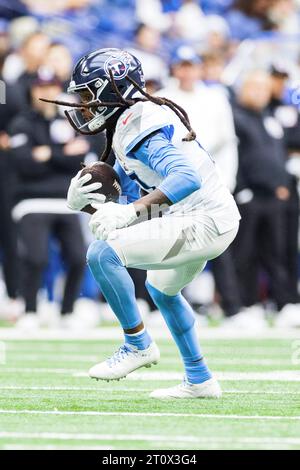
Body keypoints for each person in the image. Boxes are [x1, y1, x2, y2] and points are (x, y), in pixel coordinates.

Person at [51, 48, 240, 399]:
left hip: (204, 218)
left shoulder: (139, 122)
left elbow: (185, 179)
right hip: (204, 217)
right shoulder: (129, 123)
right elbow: (133, 210)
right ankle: (200, 379)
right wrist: (86, 207)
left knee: (101, 254)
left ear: (111, 88)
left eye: (87, 94)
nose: (83, 105)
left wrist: (127, 212)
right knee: (162, 290)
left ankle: (137, 343)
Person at [9, 71, 88, 330]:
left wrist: (45, 154)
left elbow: (76, 160)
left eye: (52, 86)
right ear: (33, 90)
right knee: (36, 258)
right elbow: (24, 164)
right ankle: (30, 309)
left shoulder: (69, 121)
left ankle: (68, 311)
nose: (48, 91)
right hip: (31, 200)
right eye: (42, 86)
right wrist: (60, 154)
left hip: (65, 200)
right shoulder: (21, 123)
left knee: (78, 257)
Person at [232, 70, 300, 328]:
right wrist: (242, 188)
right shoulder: (236, 117)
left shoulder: (270, 116)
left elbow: (277, 155)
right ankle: (247, 304)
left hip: (274, 196)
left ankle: (284, 302)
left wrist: (282, 183)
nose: (260, 93)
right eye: (255, 87)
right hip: (249, 195)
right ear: (244, 89)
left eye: (264, 88)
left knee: (278, 252)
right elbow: (236, 156)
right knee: (245, 253)